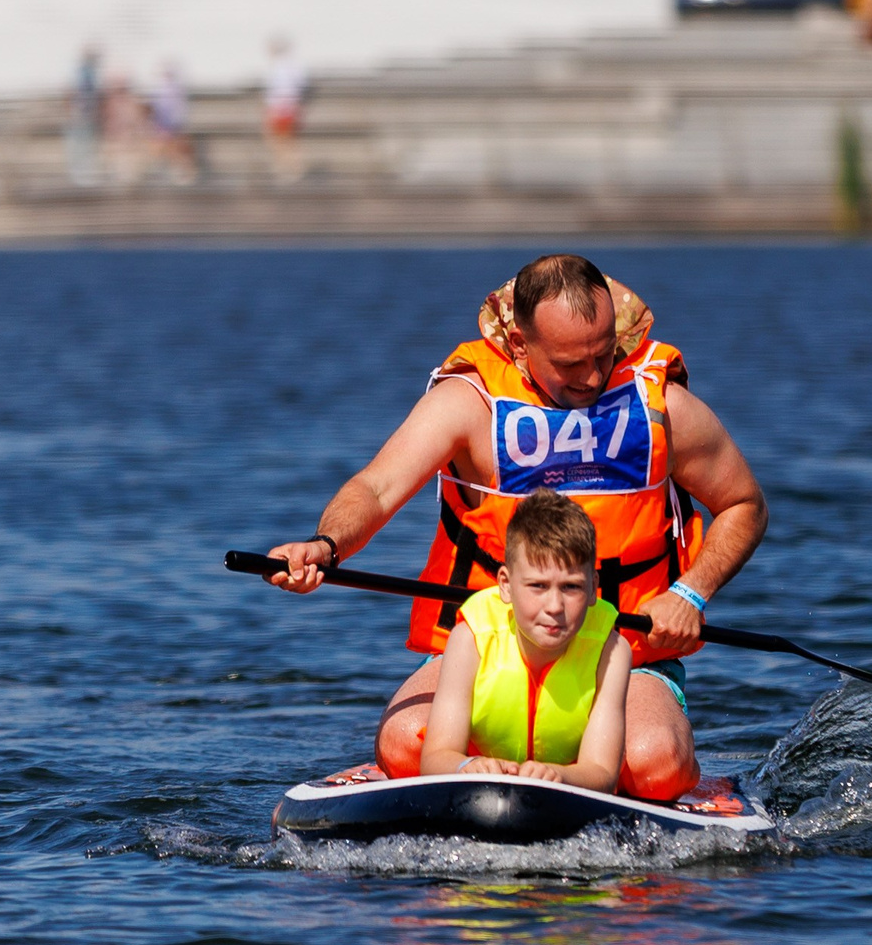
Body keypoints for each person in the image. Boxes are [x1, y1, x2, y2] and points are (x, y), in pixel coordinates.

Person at [265, 254, 769, 801]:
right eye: (572, 364)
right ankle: (461, 767)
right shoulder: (469, 402)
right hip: (484, 645)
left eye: (604, 354)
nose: (594, 377)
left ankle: (686, 783)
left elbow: (745, 503)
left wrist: (689, 594)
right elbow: (376, 489)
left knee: (657, 766)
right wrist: (325, 545)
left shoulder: (662, 405)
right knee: (406, 743)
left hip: (624, 648)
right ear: (522, 348)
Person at [419, 490, 631, 792]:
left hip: (565, 782)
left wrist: (559, 777)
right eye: (538, 586)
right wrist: (466, 767)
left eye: (571, 587)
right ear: (505, 584)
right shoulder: (470, 638)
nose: (555, 606)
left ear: (594, 588)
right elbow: (436, 757)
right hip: (480, 775)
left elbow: (601, 772)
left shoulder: (612, 651)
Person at [262, 35, 308, 180]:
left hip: (282, 106)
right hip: (287, 105)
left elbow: (278, 90)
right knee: (286, 140)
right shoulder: (291, 66)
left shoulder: (281, 66)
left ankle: (290, 169)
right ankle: (290, 168)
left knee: (283, 140)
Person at [152, 61, 199, 182]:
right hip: (165, 126)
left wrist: (172, 126)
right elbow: (160, 108)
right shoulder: (162, 88)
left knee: (178, 151)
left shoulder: (176, 88)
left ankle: (184, 174)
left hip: (173, 126)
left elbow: (179, 108)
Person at [65, 46, 103, 184]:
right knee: (83, 147)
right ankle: (81, 178)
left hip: (82, 116)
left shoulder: (84, 72)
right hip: (83, 116)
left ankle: (81, 176)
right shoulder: (86, 73)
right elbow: (84, 96)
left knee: (82, 146)